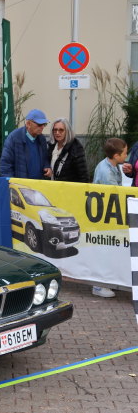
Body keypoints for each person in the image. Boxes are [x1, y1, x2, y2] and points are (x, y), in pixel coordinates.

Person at [91, 137, 128, 298]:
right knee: (103, 250)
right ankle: (98, 285)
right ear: (116, 155)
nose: (127, 156)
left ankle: (105, 282)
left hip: (105, 216)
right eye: (125, 153)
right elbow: (114, 195)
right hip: (104, 217)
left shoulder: (110, 165)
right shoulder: (106, 171)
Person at [0, 109, 52, 179]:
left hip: (38, 185)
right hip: (20, 186)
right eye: (39, 124)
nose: (42, 127)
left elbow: (45, 159)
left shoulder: (42, 139)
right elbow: (5, 166)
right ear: (28, 124)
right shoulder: (14, 138)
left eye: (44, 124)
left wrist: (47, 166)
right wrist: (12, 185)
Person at [47, 118, 89, 182]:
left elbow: (84, 176)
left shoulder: (76, 148)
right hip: (52, 186)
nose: (57, 133)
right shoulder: (51, 145)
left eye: (61, 130)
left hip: (69, 189)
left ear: (67, 131)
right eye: (55, 130)